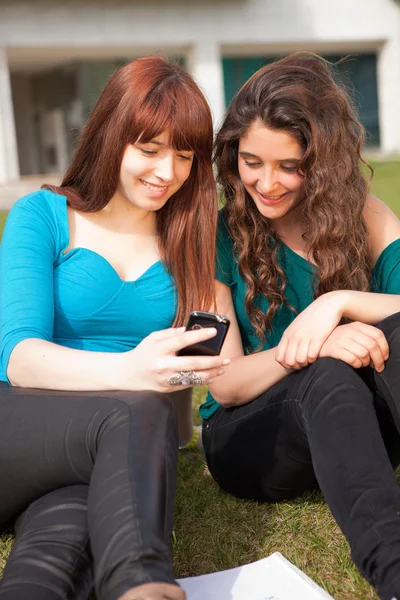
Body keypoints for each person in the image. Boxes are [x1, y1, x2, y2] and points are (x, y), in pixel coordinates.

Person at [0, 55, 231, 600]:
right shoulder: (43, 214)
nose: (166, 172)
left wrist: (177, 377)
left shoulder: (187, 246)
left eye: (183, 155)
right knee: (134, 408)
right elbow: (18, 356)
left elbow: (181, 403)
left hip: (106, 451)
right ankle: (144, 585)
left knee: (55, 552)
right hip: (18, 423)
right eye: (149, 150)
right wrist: (133, 370)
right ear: (111, 136)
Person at [202, 52, 400, 600]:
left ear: (324, 160)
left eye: (290, 165)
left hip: (357, 427)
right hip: (250, 438)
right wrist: (316, 347)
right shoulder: (214, 237)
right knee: (330, 374)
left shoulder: (364, 213)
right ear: (232, 156)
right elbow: (224, 382)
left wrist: (337, 302)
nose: (267, 183)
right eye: (251, 161)